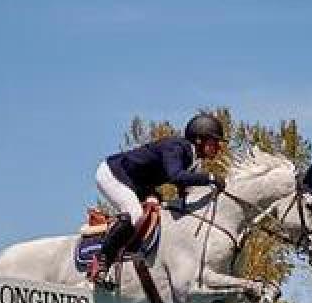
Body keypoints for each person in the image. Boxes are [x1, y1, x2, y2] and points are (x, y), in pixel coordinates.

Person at [88, 113, 227, 282]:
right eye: (214, 142)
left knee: (160, 213)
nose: (218, 148)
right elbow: (176, 176)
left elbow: (184, 191)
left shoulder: (193, 160)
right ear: (199, 140)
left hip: (140, 184)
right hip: (113, 173)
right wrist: (210, 178)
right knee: (135, 214)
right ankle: (101, 261)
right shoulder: (176, 147)